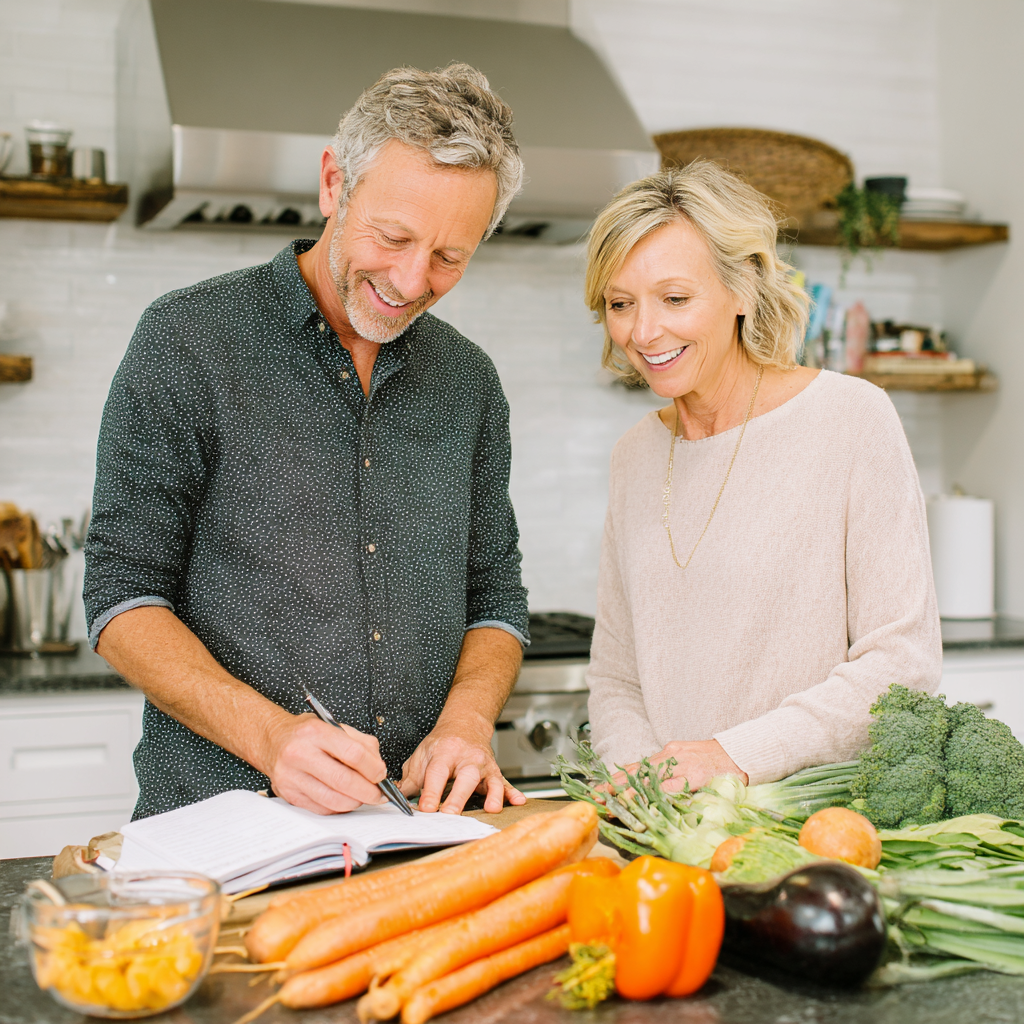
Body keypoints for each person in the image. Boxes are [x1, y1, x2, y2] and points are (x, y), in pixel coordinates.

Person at [84, 64, 531, 820]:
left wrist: (467, 720)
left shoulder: (470, 382)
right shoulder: (188, 341)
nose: (412, 279)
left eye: (451, 257)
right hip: (220, 825)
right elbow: (121, 598)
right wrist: (272, 739)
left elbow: (496, 597)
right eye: (392, 237)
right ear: (334, 185)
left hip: (413, 828)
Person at [583, 160, 942, 791]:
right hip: (669, 832)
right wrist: (648, 787)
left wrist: (729, 758)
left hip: (814, 827)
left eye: (674, 298)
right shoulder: (634, 455)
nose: (643, 331)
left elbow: (902, 662)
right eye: (620, 304)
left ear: (743, 288)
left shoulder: (850, 418)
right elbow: (617, 676)